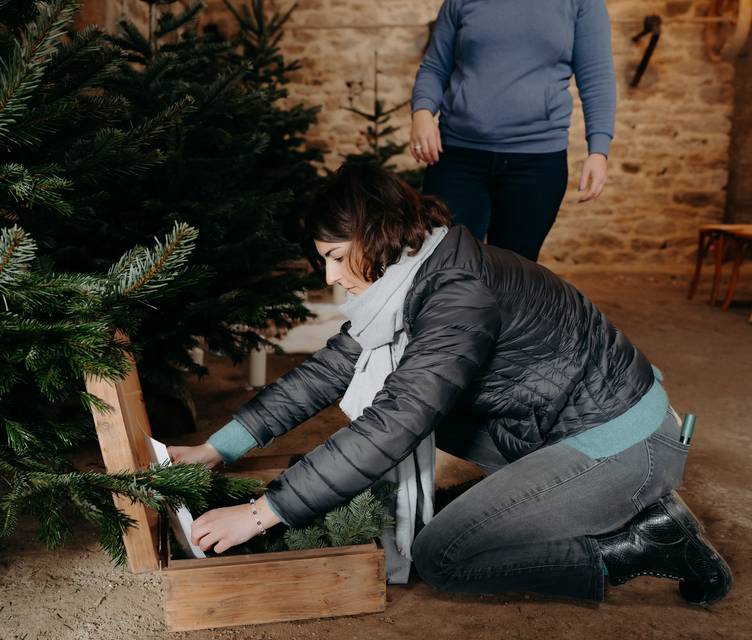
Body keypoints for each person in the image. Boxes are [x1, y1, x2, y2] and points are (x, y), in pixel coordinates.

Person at [168, 163, 732, 605]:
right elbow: (330, 370)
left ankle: (645, 541)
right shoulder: (417, 274)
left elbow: (395, 421)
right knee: (427, 415)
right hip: (571, 422)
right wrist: (219, 448)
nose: (331, 277)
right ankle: (576, 502)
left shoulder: (457, 295)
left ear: (377, 233)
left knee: (445, 555)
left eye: (337, 258)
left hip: (622, 442)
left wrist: (263, 512)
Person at [409, 0, 615, 262]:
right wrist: (422, 113)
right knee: (448, 265)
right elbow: (435, 67)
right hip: (458, 159)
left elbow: (597, 77)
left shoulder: (581, 3)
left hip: (536, 163)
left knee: (514, 274)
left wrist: (598, 150)